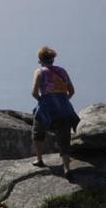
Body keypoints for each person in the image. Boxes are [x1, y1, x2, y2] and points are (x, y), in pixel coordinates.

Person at [31, 46, 80, 178]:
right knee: (64, 137)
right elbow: (72, 91)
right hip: (64, 108)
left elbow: (34, 92)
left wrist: (42, 100)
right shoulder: (62, 71)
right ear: (52, 59)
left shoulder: (39, 72)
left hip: (47, 107)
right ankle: (66, 167)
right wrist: (63, 100)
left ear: (40, 60)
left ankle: (39, 159)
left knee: (38, 130)